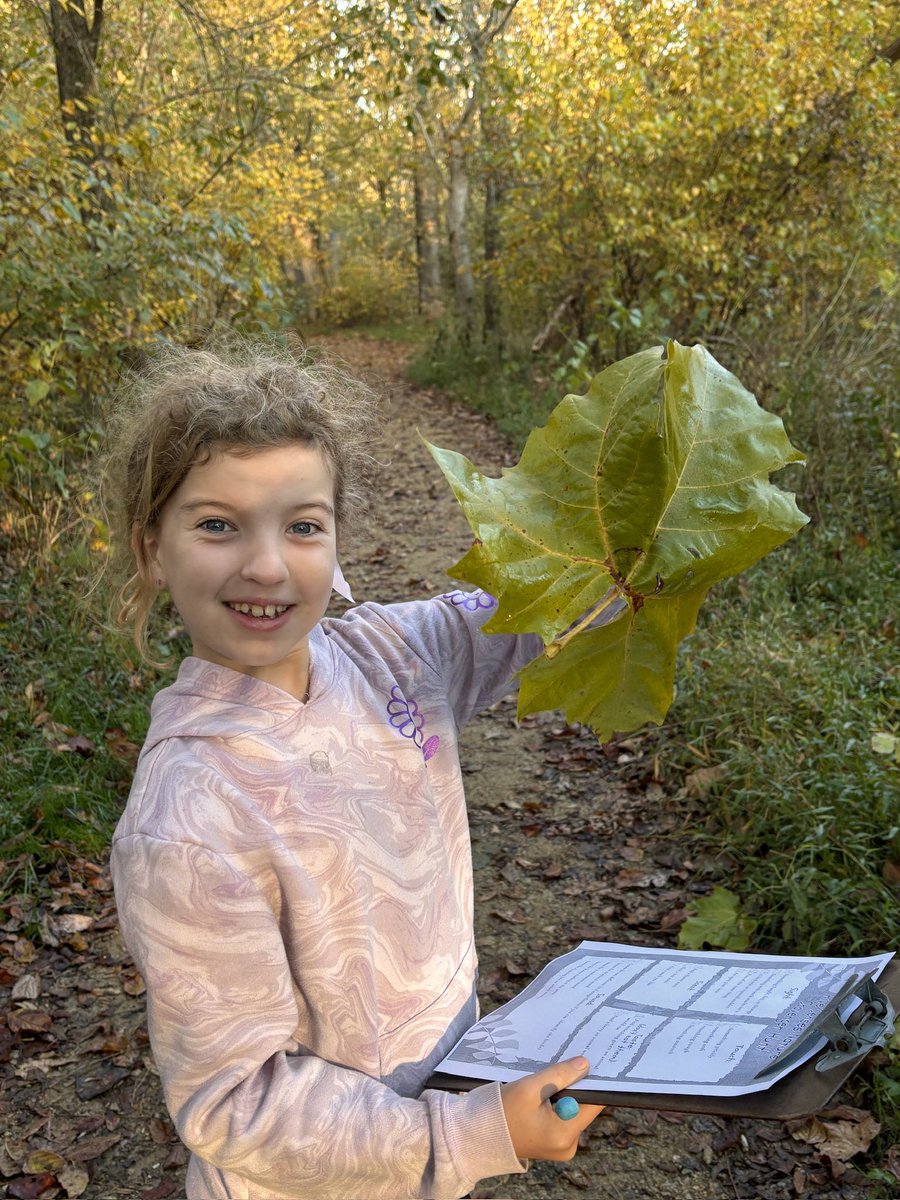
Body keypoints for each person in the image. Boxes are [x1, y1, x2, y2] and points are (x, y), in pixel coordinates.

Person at [104, 340, 604, 1200]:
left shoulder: (388, 653)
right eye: (218, 524)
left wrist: (636, 547)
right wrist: (468, 1134)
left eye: (302, 525)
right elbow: (235, 1102)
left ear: (336, 543)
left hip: (434, 1113)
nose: (266, 564)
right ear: (154, 551)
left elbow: (527, 611)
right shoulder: (186, 820)